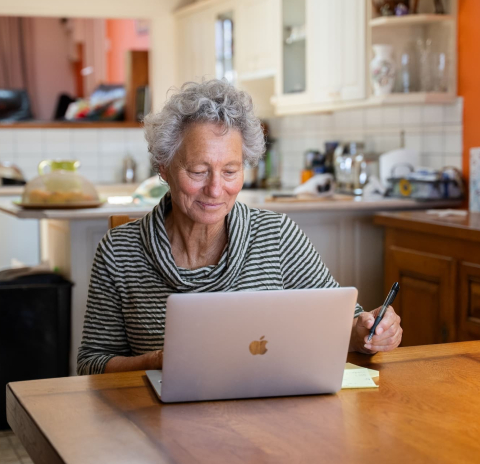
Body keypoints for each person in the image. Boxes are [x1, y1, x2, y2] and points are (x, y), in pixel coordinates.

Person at [77, 80, 402, 375]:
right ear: (164, 167)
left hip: (269, 419)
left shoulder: (276, 236)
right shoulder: (120, 252)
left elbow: (342, 324)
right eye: (198, 171)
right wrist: (158, 361)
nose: (216, 190)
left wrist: (368, 332)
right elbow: (92, 365)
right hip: (161, 426)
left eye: (230, 171)